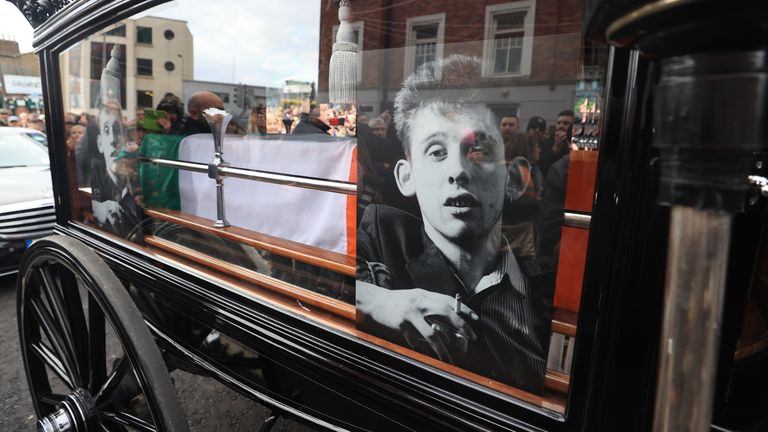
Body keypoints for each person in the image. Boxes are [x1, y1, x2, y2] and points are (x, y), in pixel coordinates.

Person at [356, 55, 554, 395]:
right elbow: (299, 275)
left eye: (477, 149)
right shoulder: (382, 237)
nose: (458, 171)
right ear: (407, 177)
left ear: (514, 178)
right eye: (436, 151)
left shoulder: (549, 291)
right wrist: (373, 300)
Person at [539, 110, 574, 177]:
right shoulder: (545, 143)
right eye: (559, 123)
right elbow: (542, 166)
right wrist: (555, 148)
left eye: (565, 123)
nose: (561, 126)